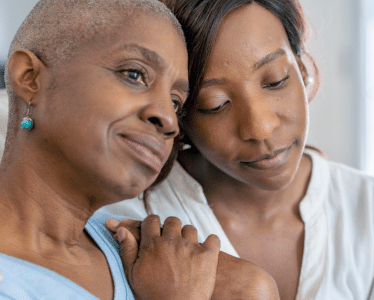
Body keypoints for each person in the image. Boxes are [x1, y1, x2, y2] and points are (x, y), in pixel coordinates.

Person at [101, 0, 374, 299]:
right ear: (180, 113)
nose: (259, 128)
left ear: (303, 69)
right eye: (215, 104)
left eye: (275, 81)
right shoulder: (135, 219)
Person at [0, 0, 279, 299]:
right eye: (134, 74)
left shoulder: (164, 263)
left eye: (176, 103)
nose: (169, 120)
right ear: (30, 78)